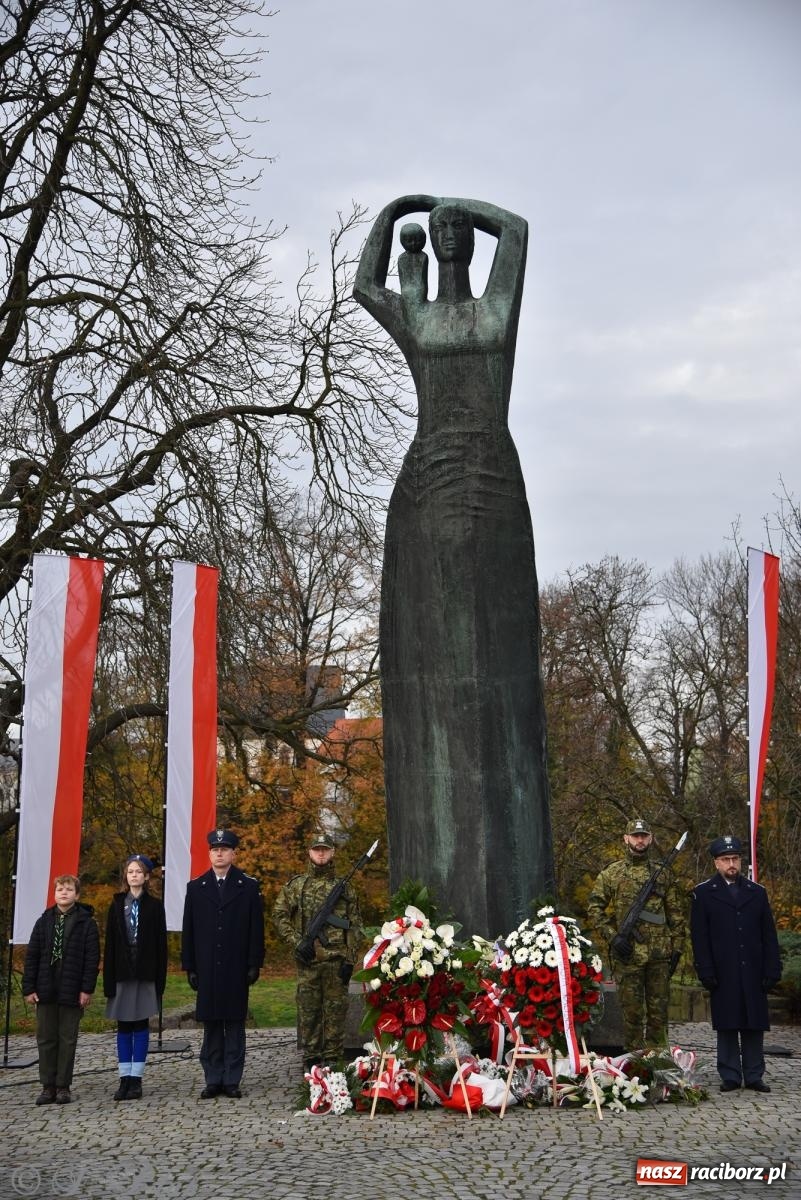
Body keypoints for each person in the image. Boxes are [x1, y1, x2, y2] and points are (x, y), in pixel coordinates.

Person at [354, 195, 553, 938]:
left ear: (465, 241)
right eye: (434, 234)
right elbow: (363, 286)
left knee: (501, 668)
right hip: (427, 481)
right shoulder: (418, 314)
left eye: (453, 233)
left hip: (492, 476)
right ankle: (434, 907)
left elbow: (519, 231)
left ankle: (519, 905)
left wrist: (454, 205)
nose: (444, 239)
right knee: (430, 667)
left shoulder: (494, 305)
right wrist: (397, 210)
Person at [690, 834, 782, 1093]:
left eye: (735, 859)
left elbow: (769, 934)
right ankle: (730, 1073)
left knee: (754, 1021)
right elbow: (700, 936)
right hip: (724, 967)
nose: (731, 863)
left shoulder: (756, 892)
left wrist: (772, 968)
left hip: (753, 966)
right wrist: (705, 968)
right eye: (726, 859)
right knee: (728, 1022)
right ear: (716, 863)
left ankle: (754, 1074)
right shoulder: (704, 893)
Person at [586, 818, 685, 1050]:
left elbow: (676, 916)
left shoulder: (663, 874)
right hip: (628, 956)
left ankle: (659, 1062)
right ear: (626, 839)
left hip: (659, 955)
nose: (639, 840)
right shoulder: (612, 873)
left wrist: (677, 948)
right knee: (631, 1015)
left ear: (650, 839)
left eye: (643, 836)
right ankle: (635, 1067)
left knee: (658, 1014)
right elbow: (595, 909)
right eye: (635, 836)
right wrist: (613, 937)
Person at [181, 828, 264, 1098]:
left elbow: (256, 929)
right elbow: (189, 930)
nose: (219, 853)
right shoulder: (196, 887)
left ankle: (232, 1079)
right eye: (215, 849)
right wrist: (190, 966)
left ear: (233, 853)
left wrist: (254, 963)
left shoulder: (248, 886)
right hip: (207, 966)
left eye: (225, 849)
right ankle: (213, 1078)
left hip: (235, 965)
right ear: (209, 853)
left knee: (235, 1024)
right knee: (212, 1025)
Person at [273, 833, 362, 1071]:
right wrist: (297, 942)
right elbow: (279, 916)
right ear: (310, 853)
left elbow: (354, 926)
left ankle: (333, 1060)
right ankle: (311, 1060)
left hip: (336, 962)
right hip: (308, 962)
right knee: (309, 1012)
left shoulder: (345, 888)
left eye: (325, 849)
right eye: (316, 850)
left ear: (332, 852)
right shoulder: (297, 885)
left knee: (335, 1012)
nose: (320, 854)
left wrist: (350, 960)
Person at [22, 874, 100, 1105]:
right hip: (46, 988)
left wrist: (86, 989)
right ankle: (47, 1085)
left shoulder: (86, 923)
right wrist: (29, 988)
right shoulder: (43, 921)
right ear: (54, 894)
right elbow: (32, 956)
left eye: (68, 889)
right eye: (59, 890)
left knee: (67, 1038)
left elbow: (91, 959)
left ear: (76, 894)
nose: (63, 893)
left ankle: (63, 1085)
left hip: (72, 989)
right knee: (46, 1038)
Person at [103, 854, 167, 1101]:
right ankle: (124, 1078)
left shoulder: (154, 906)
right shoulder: (117, 904)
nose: (134, 875)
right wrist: (109, 980)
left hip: (145, 973)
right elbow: (109, 945)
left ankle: (137, 1079)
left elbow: (161, 946)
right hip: (122, 973)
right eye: (130, 871)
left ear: (147, 876)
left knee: (140, 1024)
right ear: (125, 876)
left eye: (139, 871)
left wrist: (160, 980)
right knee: (123, 1025)